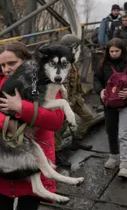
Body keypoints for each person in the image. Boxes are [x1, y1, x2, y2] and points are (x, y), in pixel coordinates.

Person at [0, 42, 65, 210]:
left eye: (12, 63)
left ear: (26, 61)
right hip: (4, 159)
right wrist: (7, 123)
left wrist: (22, 108)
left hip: (34, 158)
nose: (6, 68)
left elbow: (56, 120)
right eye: (2, 65)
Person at [94, 38, 127, 179]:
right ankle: (114, 156)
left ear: (122, 51)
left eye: (117, 51)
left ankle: (125, 165)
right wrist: (100, 91)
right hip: (109, 103)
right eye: (111, 51)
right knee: (111, 131)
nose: (114, 54)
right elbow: (97, 79)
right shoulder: (103, 64)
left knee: (124, 134)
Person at [55, 34, 94, 167]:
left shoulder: (71, 59)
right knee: (60, 127)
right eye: (76, 47)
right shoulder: (60, 62)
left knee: (88, 116)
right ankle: (56, 152)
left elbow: (75, 82)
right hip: (64, 101)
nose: (77, 49)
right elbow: (59, 86)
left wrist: (79, 95)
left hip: (74, 97)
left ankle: (76, 140)